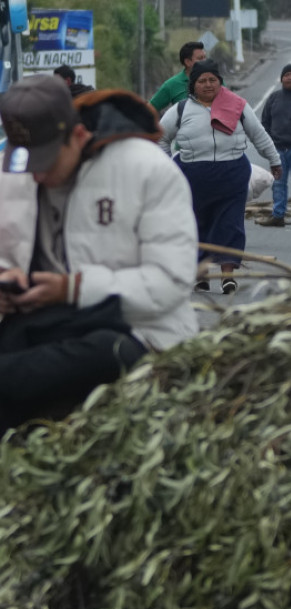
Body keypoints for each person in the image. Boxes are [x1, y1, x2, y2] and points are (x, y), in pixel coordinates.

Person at [0, 76, 199, 433]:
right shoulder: (16, 172)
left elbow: (170, 283)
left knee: (102, 350)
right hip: (49, 322)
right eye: (28, 163)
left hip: (135, 329)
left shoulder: (147, 170)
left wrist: (71, 289)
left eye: (46, 161)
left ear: (78, 136)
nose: (38, 175)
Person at [158, 60, 282, 294]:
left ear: (220, 81)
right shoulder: (181, 109)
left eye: (212, 80)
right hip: (193, 177)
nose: (208, 85)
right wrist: (167, 166)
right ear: (192, 85)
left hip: (231, 173)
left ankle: (227, 276)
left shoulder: (238, 106)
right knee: (196, 225)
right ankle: (201, 276)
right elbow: (160, 137)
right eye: (202, 81)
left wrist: (274, 160)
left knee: (230, 224)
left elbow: (259, 134)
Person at [260, 64, 291, 228]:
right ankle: (278, 215)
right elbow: (265, 122)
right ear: (281, 79)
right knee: (278, 183)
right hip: (277, 149)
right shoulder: (274, 98)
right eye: (286, 75)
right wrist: (269, 143)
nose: (289, 77)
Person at [150, 41, 206, 113]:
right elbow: (150, 108)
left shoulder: (215, 81)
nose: (205, 61)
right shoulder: (171, 85)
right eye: (200, 58)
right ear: (188, 62)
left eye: (205, 57)